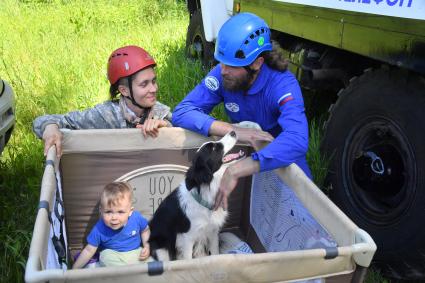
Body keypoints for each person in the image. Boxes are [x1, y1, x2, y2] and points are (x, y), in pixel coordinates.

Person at [172, 13, 312, 210]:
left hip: (282, 163)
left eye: (231, 65)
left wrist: (238, 169)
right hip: (246, 160)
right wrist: (232, 130)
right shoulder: (223, 75)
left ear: (257, 63)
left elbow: (297, 140)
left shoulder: (282, 85)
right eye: (222, 62)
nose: (223, 71)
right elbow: (182, 111)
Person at [33, 45, 171, 157]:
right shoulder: (105, 115)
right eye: (144, 84)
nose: (153, 89)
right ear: (124, 90)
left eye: (154, 81)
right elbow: (43, 120)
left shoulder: (160, 112)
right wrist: (50, 127)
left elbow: (184, 133)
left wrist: (166, 128)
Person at [72, 181, 150, 268]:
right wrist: (74, 270)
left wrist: (147, 246)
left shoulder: (136, 218)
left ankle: (130, 273)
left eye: (120, 212)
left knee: (153, 261)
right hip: (114, 256)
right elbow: (89, 250)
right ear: (101, 211)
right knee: (106, 257)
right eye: (108, 212)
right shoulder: (99, 228)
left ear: (130, 211)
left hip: (135, 253)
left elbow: (145, 230)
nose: (114, 217)